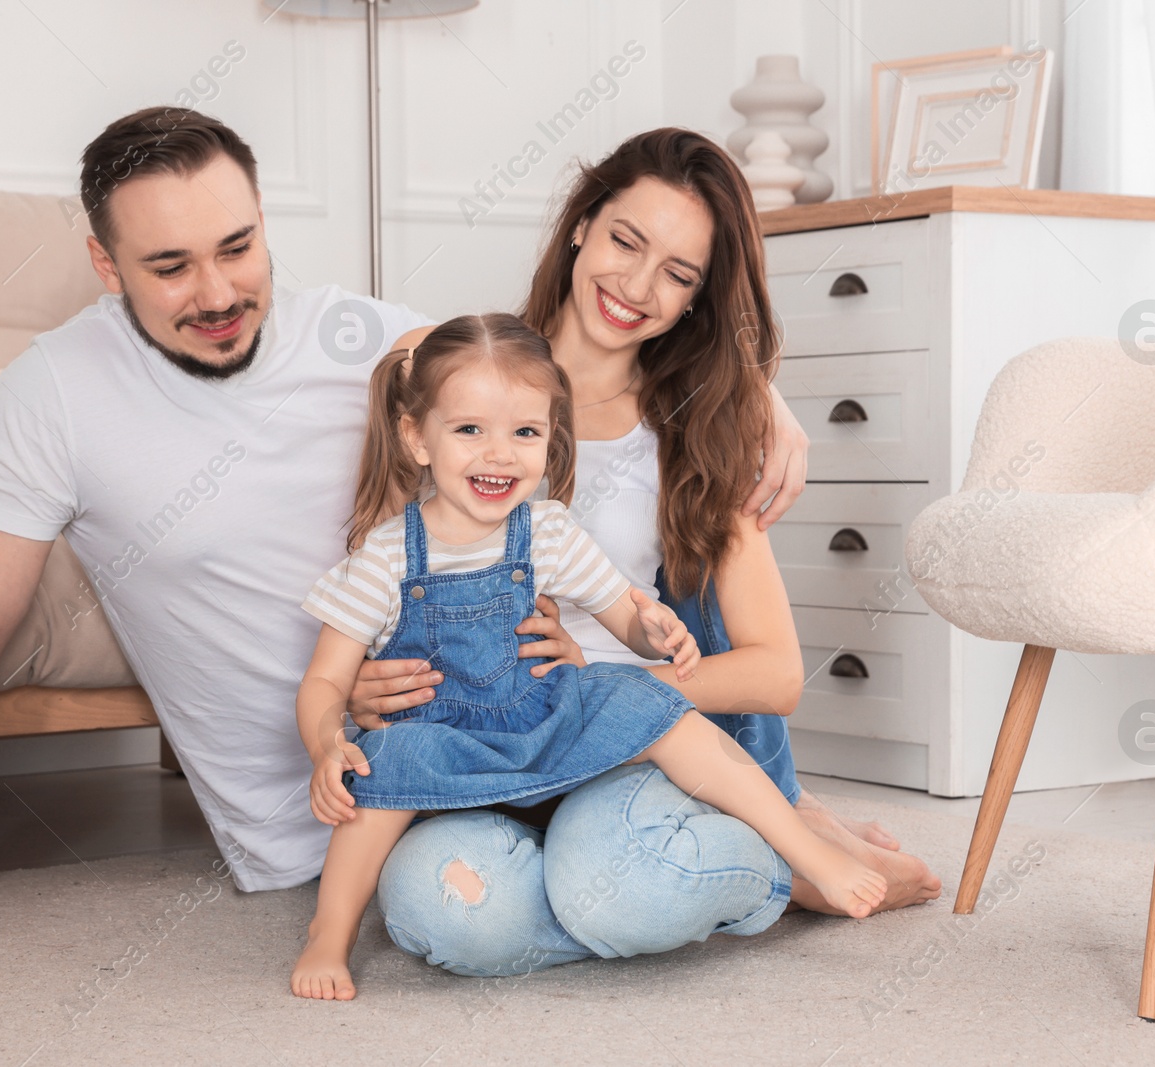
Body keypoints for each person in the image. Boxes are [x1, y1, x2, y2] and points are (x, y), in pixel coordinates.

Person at [0, 111, 832, 962]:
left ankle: (750, 842)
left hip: (508, 732)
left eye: (239, 245)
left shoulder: (365, 337)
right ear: (102, 259)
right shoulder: (50, 399)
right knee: (456, 923)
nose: (218, 292)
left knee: (608, 872)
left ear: (271, 220)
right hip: (364, 795)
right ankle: (730, 846)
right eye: (169, 264)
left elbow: (536, 383)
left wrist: (751, 393)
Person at [356, 129, 942, 979]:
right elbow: (377, 564)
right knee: (435, 909)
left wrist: (605, 697)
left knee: (611, 888)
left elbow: (775, 672)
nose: (636, 287)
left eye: (679, 273)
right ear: (583, 224)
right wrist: (367, 677)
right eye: (628, 241)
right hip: (479, 741)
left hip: (628, 745)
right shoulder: (440, 365)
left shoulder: (697, 430)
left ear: (700, 299)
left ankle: (781, 864)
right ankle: (767, 832)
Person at [289, 314, 890, 1000]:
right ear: (414, 437)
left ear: (551, 439)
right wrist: (325, 743)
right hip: (448, 738)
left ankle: (804, 848)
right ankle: (327, 934)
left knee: (653, 702)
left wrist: (657, 629)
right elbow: (325, 679)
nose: (499, 455)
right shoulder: (387, 556)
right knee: (379, 771)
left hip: (542, 710)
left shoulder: (545, 531)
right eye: (468, 431)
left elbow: (621, 610)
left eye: (525, 432)